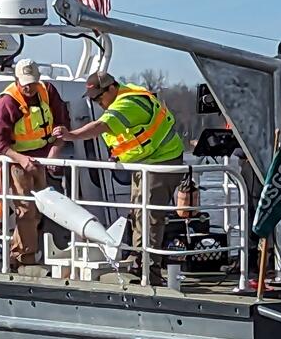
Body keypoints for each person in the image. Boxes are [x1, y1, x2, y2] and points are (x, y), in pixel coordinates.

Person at [53, 72, 184, 281]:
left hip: (162, 163)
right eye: (93, 99)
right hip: (146, 164)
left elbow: (100, 127)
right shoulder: (120, 100)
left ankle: (149, 271)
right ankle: (138, 261)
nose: (97, 103)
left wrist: (71, 135)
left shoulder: (128, 103)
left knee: (149, 216)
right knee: (137, 213)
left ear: (112, 89)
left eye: (98, 98)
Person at [0, 59, 68, 271]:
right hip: (18, 162)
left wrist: (54, 151)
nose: (28, 87)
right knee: (26, 210)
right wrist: (22, 160)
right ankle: (25, 258)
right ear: (16, 80)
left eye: (32, 82)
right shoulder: (7, 102)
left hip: (43, 160)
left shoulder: (47, 92)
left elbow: (62, 123)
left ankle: (28, 252)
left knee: (44, 208)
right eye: (24, 83)